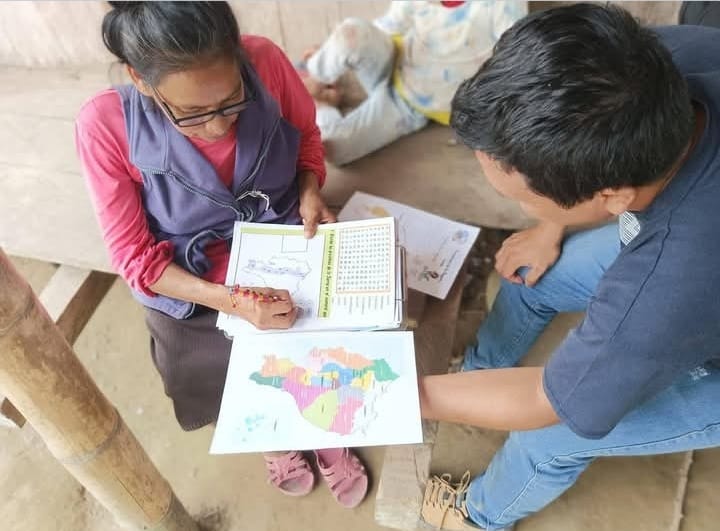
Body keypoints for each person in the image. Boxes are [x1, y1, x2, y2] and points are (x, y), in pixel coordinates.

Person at [416, 4, 720, 530]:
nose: (522, 209)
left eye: (524, 201)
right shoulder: (646, 66)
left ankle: (478, 516)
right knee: (530, 277)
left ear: (613, 196)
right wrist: (549, 227)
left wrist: (403, 395)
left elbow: (546, 401)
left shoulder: (668, 288)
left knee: (550, 437)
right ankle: (480, 374)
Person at [75, 1, 367, 508]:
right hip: (189, 275)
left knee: (319, 335)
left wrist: (310, 192)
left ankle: (322, 422)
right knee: (218, 365)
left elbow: (306, 140)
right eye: (191, 114)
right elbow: (136, 259)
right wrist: (231, 300)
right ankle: (273, 434)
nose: (218, 128)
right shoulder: (105, 124)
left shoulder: (265, 61)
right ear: (140, 80)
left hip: (280, 230)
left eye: (232, 101)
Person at [298, 0, 527, 166]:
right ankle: (312, 80)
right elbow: (384, 28)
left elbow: (517, 64)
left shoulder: (503, 6)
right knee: (351, 32)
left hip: (409, 105)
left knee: (331, 147)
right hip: (392, 62)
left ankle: (322, 104)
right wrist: (332, 54)